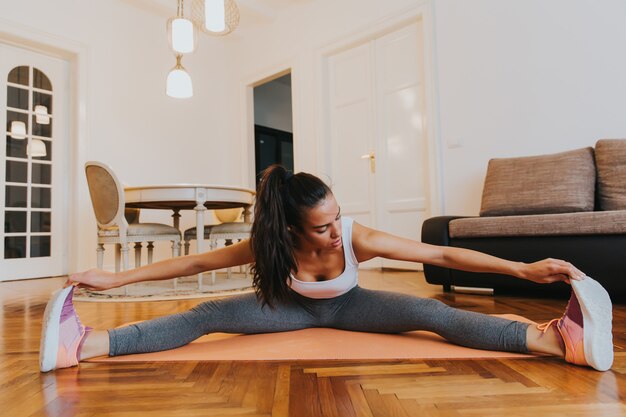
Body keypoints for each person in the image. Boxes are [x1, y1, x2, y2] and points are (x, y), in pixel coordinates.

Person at [39, 165, 614, 373]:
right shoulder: (271, 245)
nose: (336, 231)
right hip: (284, 311)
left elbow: (441, 255)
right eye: (322, 226)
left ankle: (559, 341)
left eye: (337, 217)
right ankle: (82, 347)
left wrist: (524, 269)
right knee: (206, 313)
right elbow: (191, 260)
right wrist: (113, 279)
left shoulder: (354, 235)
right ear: (290, 230)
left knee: (431, 312)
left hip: (354, 306)